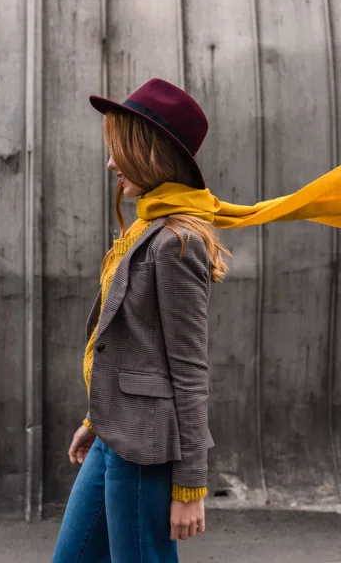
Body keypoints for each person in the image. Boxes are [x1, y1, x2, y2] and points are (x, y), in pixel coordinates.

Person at [51, 78, 341, 563]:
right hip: (112, 435)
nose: (110, 165)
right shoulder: (147, 227)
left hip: (147, 449)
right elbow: (129, 347)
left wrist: (190, 483)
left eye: (117, 151)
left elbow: (188, 369)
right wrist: (94, 419)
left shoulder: (175, 243)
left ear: (150, 154)